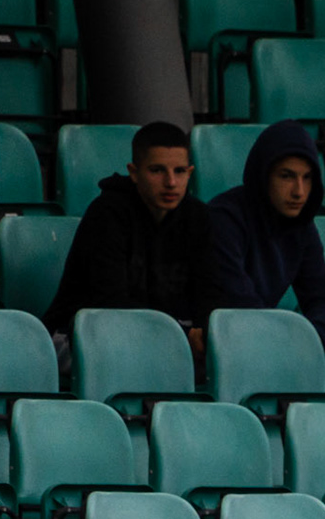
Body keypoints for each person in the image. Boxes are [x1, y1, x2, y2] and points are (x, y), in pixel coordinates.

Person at [42, 122, 215, 352]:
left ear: (190, 172)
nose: (171, 182)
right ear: (134, 173)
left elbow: (210, 293)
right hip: (82, 336)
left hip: (166, 339)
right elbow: (110, 302)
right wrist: (181, 335)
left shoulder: (198, 216)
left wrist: (203, 332)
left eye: (179, 171)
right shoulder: (107, 214)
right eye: (157, 170)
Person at [206, 119, 325, 347]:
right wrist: (284, 344)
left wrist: (311, 342)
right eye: (287, 176)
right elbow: (238, 303)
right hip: (222, 345)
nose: (299, 192)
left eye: (307, 178)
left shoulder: (302, 225)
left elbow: (322, 300)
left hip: (269, 344)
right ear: (264, 175)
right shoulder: (223, 218)